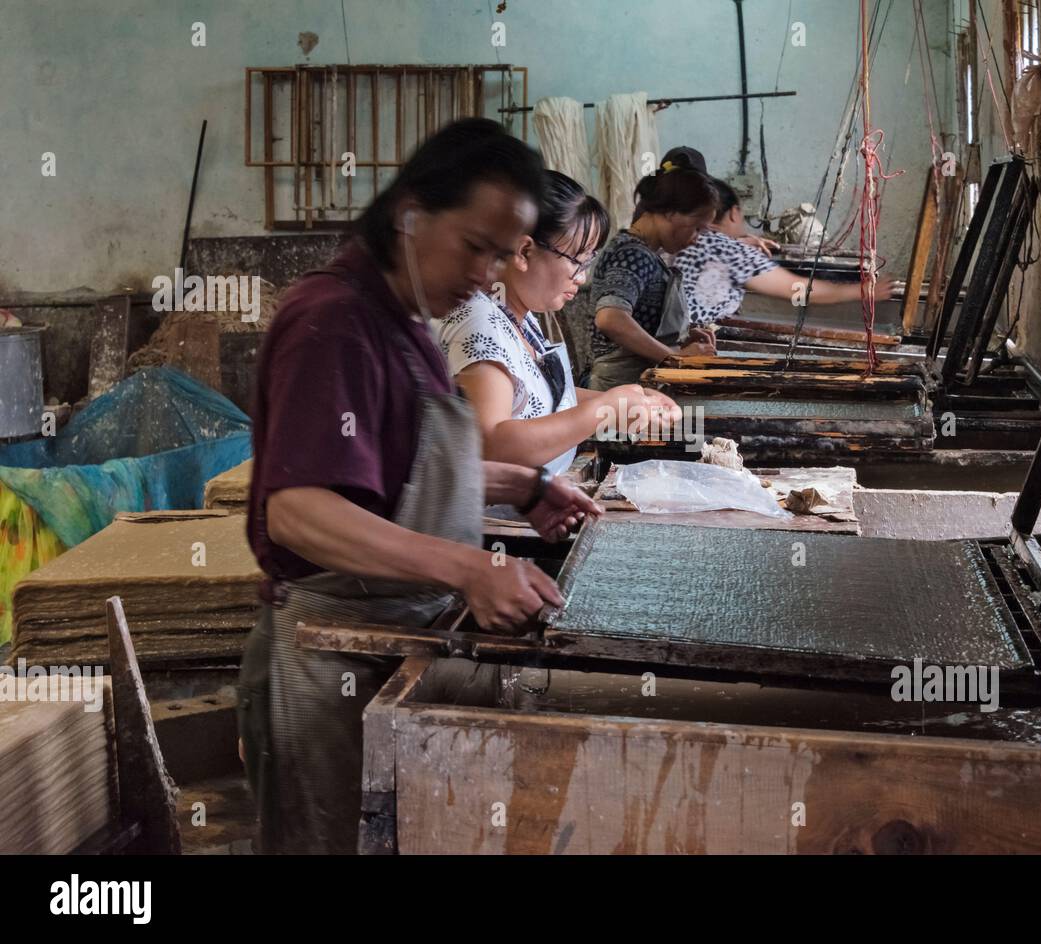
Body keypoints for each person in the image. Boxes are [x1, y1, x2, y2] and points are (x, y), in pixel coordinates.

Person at [236, 118, 602, 854]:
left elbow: (397, 477)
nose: (489, 275)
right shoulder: (334, 321)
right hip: (325, 662)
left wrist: (520, 486)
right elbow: (300, 512)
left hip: (387, 641)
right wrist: (470, 566)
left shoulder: (405, 321)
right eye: (476, 247)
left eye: (503, 256)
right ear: (410, 212)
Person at [437, 170, 681, 474]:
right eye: (577, 261)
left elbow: (541, 398)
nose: (581, 277)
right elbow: (492, 444)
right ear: (524, 252)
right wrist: (603, 410)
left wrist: (631, 400)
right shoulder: (479, 322)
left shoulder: (518, 316)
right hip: (496, 517)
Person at [675, 175, 903, 327]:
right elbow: (797, 291)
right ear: (734, 213)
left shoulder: (681, 238)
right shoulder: (730, 250)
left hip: (670, 333)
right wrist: (861, 292)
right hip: (690, 340)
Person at [585, 159, 719, 390]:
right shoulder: (632, 254)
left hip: (635, 387)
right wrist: (672, 358)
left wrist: (682, 336)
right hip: (617, 388)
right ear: (670, 212)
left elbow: (639, 321)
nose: (697, 238)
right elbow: (610, 318)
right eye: (696, 227)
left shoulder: (646, 253)